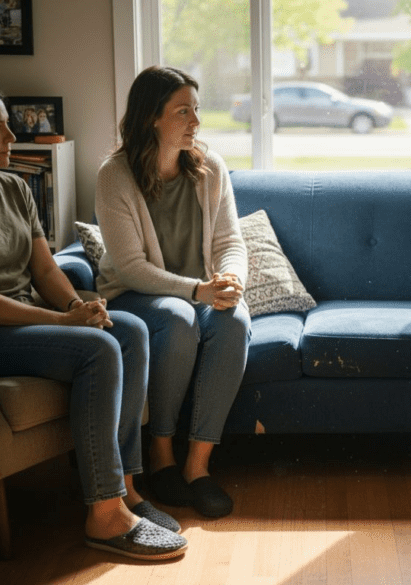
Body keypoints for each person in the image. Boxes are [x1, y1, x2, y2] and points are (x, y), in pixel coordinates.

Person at [0, 81, 187, 560]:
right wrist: (64, 324)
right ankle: (104, 514)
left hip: (33, 318)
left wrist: (76, 308)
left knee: (127, 328)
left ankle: (127, 487)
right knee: (99, 347)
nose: (11, 137)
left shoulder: (12, 186)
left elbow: (45, 268)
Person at [96, 66, 251, 519]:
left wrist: (231, 279)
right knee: (177, 317)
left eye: (196, 110)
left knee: (235, 318)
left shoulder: (210, 168)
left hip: (198, 292)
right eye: (183, 111)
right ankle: (160, 455)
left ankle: (196, 468)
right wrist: (198, 290)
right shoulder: (115, 175)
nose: (196, 122)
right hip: (136, 294)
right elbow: (131, 267)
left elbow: (230, 241)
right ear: (151, 118)